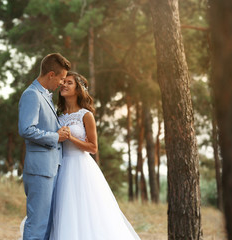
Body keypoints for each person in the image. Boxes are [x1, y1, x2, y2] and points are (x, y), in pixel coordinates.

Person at [49, 71, 141, 240]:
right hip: (62, 167)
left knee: (87, 211)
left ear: (78, 89)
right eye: (63, 82)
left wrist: (71, 137)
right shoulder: (58, 116)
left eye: (69, 82)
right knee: (65, 209)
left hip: (81, 167)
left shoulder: (86, 115)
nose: (64, 85)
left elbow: (93, 147)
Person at [18, 53, 71, 240]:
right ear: (51, 74)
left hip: (51, 168)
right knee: (37, 224)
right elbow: (26, 129)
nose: (62, 83)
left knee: (47, 224)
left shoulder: (46, 96)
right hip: (40, 170)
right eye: (61, 78)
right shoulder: (32, 95)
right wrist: (55, 137)